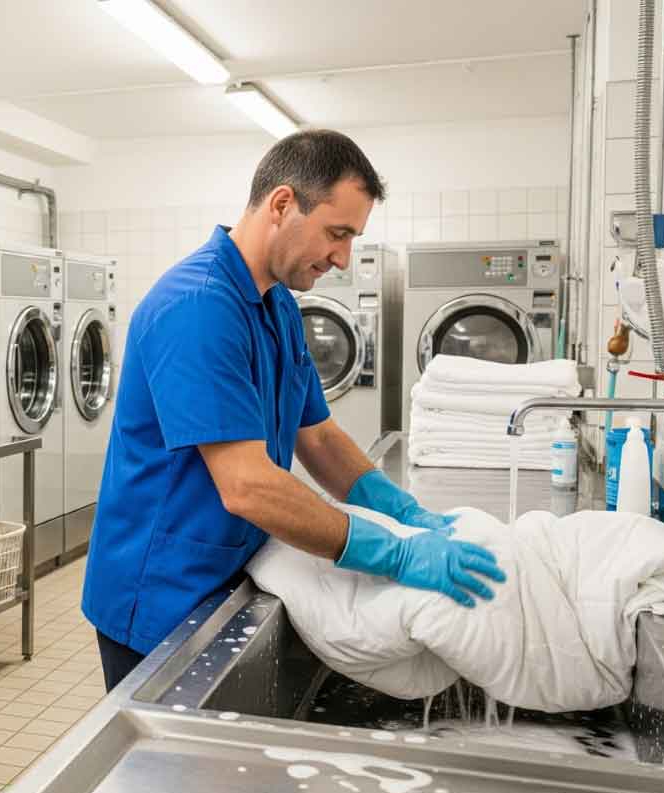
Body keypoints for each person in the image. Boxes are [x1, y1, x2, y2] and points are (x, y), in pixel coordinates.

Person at [82, 130, 507, 692]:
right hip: (162, 591)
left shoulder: (277, 305)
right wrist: (393, 555)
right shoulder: (197, 308)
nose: (343, 257)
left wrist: (406, 512)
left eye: (353, 238)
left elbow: (320, 438)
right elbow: (248, 487)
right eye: (337, 233)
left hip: (228, 569)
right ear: (283, 205)